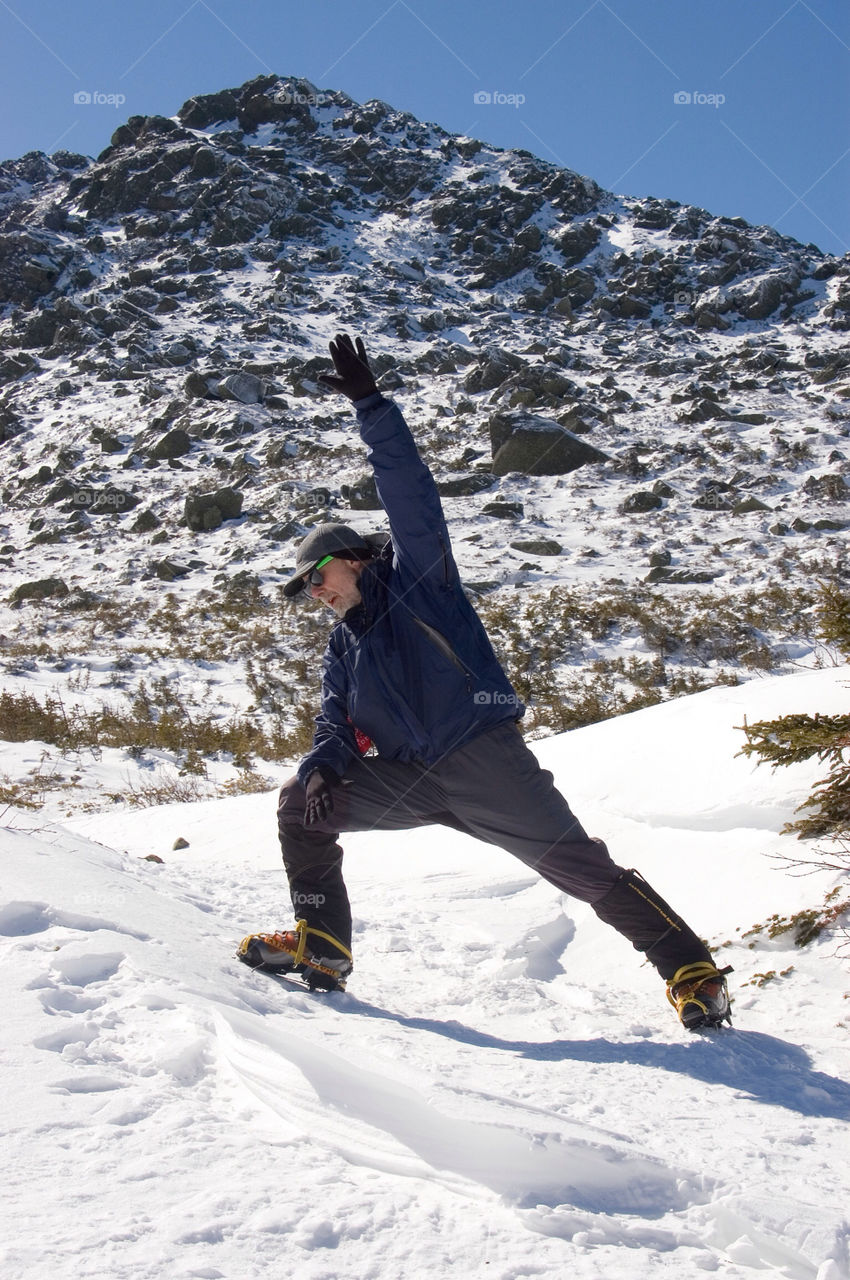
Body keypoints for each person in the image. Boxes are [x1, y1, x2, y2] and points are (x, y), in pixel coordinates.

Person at [237, 334, 731, 1030]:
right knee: (299, 806)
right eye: (306, 590)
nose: (315, 594)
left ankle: (692, 972)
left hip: (483, 764)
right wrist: (322, 768)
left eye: (318, 577)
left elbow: (412, 497)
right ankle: (323, 944)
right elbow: (332, 721)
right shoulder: (343, 645)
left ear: (351, 559)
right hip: (406, 779)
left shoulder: (423, 585)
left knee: (582, 870)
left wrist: (371, 409)